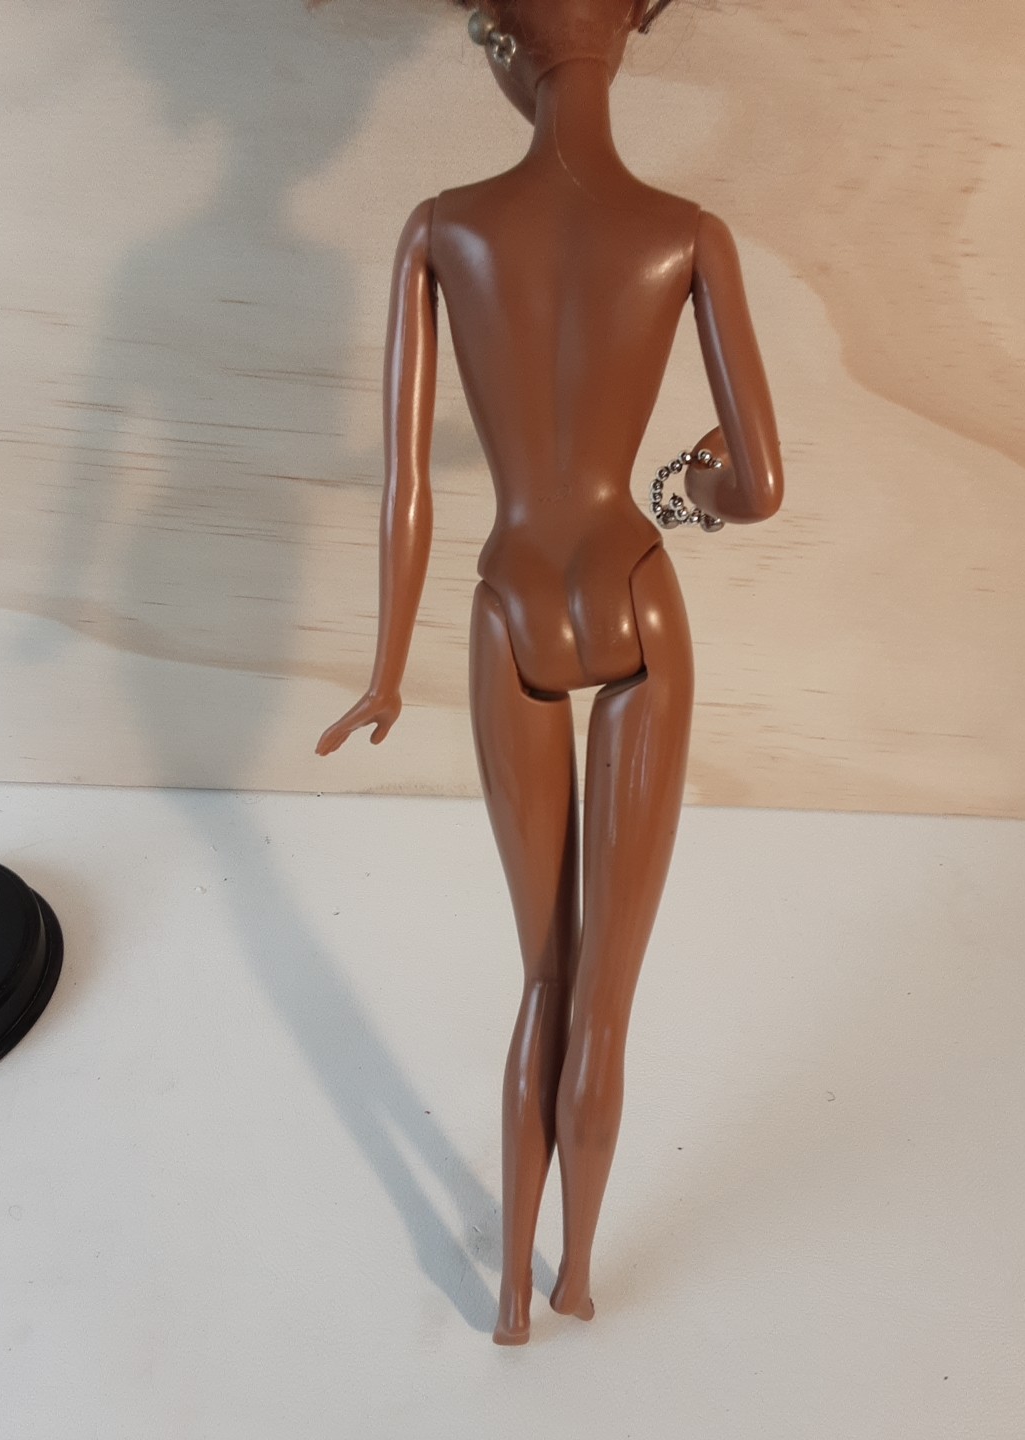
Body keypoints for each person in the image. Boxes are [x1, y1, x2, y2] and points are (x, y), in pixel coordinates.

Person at [316, 0, 782, 1344]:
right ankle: (577, 1275)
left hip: (508, 601)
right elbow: (759, 482)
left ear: (503, 46)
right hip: (637, 592)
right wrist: (684, 486)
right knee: (607, 998)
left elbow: (406, 484)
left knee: (545, 979)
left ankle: (512, 1301)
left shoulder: (442, 227)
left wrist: (386, 672)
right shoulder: (688, 233)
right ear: (627, 35)